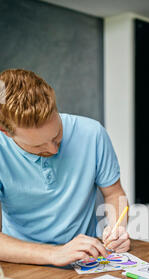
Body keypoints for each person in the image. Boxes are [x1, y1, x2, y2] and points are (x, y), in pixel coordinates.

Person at [0, 69, 130, 266]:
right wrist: (54, 254)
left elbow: (113, 193)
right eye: (38, 146)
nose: (53, 149)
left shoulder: (92, 133)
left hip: (88, 260)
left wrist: (117, 228)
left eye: (57, 134)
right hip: (21, 264)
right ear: (6, 132)